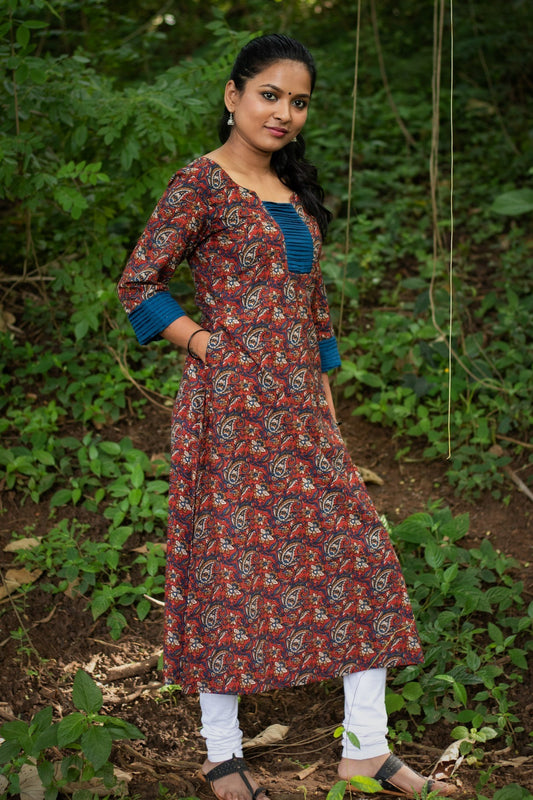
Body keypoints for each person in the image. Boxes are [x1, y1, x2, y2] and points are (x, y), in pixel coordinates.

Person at [118, 33, 456, 800]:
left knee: (360, 562)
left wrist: (325, 402)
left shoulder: (292, 194)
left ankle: (365, 748)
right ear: (232, 96)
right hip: (231, 410)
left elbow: (314, 310)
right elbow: (139, 283)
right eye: (269, 94)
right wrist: (208, 345)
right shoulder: (199, 185)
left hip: (302, 410)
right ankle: (220, 753)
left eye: (298, 101)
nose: (284, 112)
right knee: (228, 569)